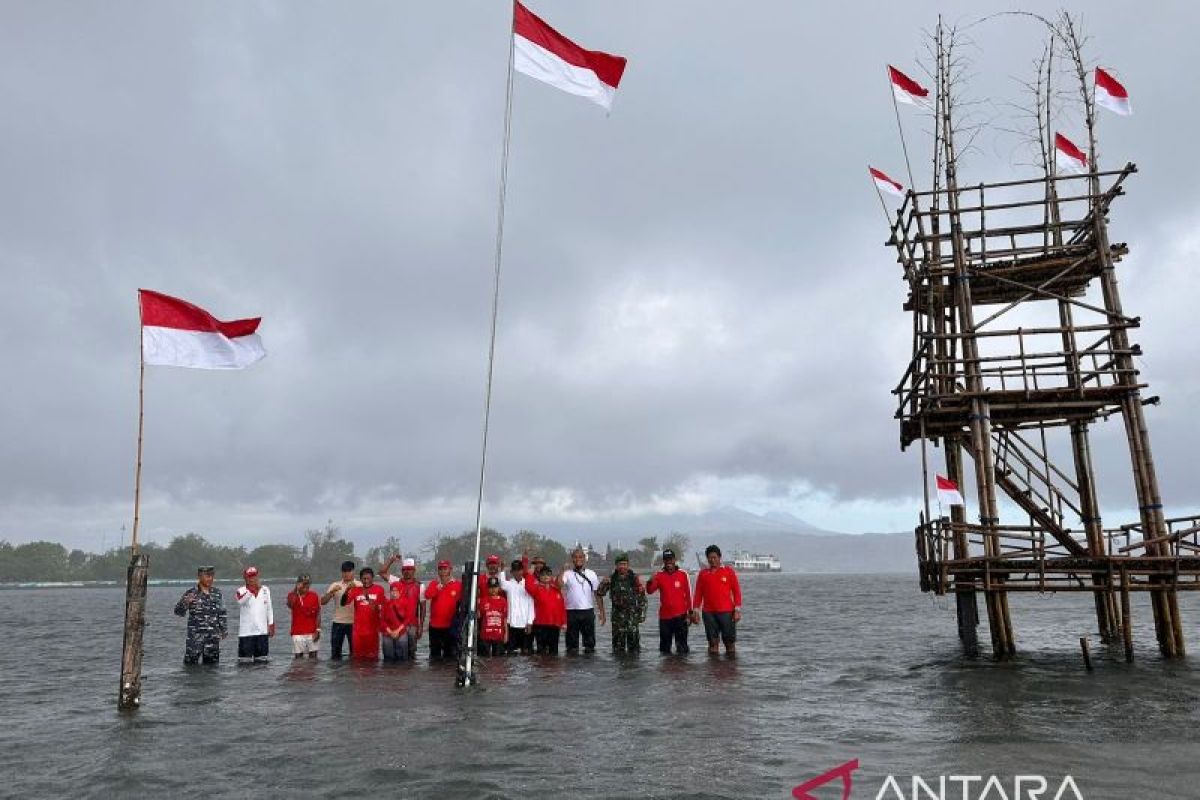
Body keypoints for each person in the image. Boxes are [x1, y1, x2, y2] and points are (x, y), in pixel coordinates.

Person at [693, 545, 742, 655]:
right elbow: (698, 594)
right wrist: (695, 611)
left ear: (720, 557)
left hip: (727, 612)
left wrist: (737, 610)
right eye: (710, 558)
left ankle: (730, 670)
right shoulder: (703, 574)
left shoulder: (729, 572)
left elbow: (737, 592)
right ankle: (712, 671)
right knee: (712, 644)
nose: (712, 560)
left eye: (715, 557)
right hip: (708, 613)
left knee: (729, 644)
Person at [174, 565, 227, 665]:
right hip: (195, 638)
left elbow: (222, 612)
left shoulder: (217, 593)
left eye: (211, 576)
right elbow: (178, 612)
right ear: (199, 576)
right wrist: (185, 603)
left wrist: (224, 630)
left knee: (212, 670)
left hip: (212, 638)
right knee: (190, 668)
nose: (210, 579)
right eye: (207, 576)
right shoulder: (191, 593)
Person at [597, 553, 647, 653]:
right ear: (616, 566)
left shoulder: (634, 578)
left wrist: (642, 615)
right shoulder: (612, 579)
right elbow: (599, 593)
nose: (622, 566)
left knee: (634, 650)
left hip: (632, 618)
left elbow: (643, 598)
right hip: (617, 619)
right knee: (617, 650)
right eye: (620, 564)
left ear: (628, 565)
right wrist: (603, 583)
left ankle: (634, 668)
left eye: (624, 564)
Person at [560, 547, 606, 654]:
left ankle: (588, 668)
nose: (578, 559)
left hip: (587, 612)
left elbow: (597, 594)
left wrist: (602, 612)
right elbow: (559, 585)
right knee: (571, 647)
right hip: (571, 612)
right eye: (575, 557)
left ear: (584, 558)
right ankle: (572, 668)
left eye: (580, 557)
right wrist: (562, 570)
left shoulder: (591, 574)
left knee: (589, 645)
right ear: (572, 559)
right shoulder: (567, 574)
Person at [646, 548, 693, 654]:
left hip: (681, 617)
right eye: (666, 560)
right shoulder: (659, 575)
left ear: (675, 560)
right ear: (663, 561)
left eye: (670, 559)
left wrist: (690, 613)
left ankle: (683, 669)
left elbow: (689, 594)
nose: (669, 562)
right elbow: (650, 591)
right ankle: (666, 670)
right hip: (665, 618)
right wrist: (649, 581)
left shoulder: (683, 574)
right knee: (664, 649)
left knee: (682, 648)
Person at [380, 555, 425, 656]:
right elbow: (382, 572)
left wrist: (421, 626)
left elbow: (422, 608)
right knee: (397, 651)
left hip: (412, 624)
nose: (407, 572)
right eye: (404, 569)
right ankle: (397, 670)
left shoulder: (420, 585)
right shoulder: (395, 581)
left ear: (414, 570)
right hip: (396, 623)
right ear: (401, 571)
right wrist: (391, 560)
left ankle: (408, 670)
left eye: (410, 569)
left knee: (411, 651)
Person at [341, 567, 387, 661]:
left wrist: (372, 603)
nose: (366, 581)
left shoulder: (379, 589)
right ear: (360, 579)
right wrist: (347, 590)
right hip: (358, 632)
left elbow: (384, 608)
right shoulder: (355, 590)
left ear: (372, 578)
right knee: (357, 659)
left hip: (373, 631)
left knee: (373, 659)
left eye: (368, 578)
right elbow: (343, 603)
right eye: (364, 579)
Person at [320, 560, 360, 659]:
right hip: (338, 622)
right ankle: (337, 673)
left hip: (354, 623)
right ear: (341, 572)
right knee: (335, 653)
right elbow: (322, 602)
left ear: (353, 571)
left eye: (348, 571)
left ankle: (352, 673)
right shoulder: (335, 585)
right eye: (344, 571)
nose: (346, 574)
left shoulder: (359, 585)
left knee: (355, 653)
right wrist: (331, 592)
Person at [424, 560, 462, 661]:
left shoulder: (458, 585)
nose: (443, 571)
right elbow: (427, 595)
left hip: (450, 626)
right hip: (434, 626)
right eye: (440, 569)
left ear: (450, 570)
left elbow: (464, 602)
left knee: (450, 656)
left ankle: (446, 676)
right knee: (434, 655)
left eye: (445, 569)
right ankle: (435, 676)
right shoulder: (434, 583)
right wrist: (438, 587)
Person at [234, 566, 274, 662]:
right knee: (244, 664)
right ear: (245, 578)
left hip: (262, 632)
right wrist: (251, 591)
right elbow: (240, 601)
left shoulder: (265, 590)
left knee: (262, 663)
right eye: (250, 577)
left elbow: (269, 608)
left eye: (255, 576)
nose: (253, 579)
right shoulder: (240, 591)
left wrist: (271, 624)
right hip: (246, 633)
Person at [525, 564, 566, 655]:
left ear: (551, 576)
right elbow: (528, 586)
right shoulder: (536, 589)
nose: (545, 576)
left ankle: (552, 669)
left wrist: (564, 622)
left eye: (548, 574)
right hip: (540, 624)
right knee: (541, 651)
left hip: (555, 625)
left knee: (554, 651)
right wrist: (530, 574)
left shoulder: (556, 589)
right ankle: (542, 669)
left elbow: (562, 607)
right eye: (543, 574)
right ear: (539, 576)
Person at [498, 557, 535, 655]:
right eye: (515, 570)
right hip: (512, 624)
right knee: (510, 652)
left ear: (522, 570)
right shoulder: (509, 584)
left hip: (525, 624)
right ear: (511, 572)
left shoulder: (528, 584)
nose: (517, 572)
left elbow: (531, 604)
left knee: (526, 653)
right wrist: (502, 570)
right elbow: (501, 583)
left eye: (519, 570)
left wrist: (530, 622)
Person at [286, 573, 321, 659]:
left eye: (308, 583)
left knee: (313, 659)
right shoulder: (292, 595)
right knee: (298, 659)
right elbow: (290, 604)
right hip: (297, 633)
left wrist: (318, 630)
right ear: (298, 583)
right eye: (303, 583)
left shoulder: (314, 595)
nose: (306, 586)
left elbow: (318, 614)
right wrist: (296, 590)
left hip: (312, 632)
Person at [380, 582, 411, 663]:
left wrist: (397, 631)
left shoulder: (406, 603)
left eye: (396, 590)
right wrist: (390, 632)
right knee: (388, 657)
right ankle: (390, 673)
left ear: (401, 591)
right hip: (387, 632)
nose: (394, 593)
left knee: (402, 658)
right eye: (392, 590)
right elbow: (382, 620)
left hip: (401, 631)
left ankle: (400, 673)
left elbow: (407, 619)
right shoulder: (386, 603)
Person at [478, 577, 508, 656]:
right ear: (488, 588)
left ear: (498, 588)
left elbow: (504, 618)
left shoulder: (503, 601)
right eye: (491, 587)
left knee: (498, 661)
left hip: (499, 635)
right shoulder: (483, 600)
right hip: (485, 635)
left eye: (495, 587)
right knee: (485, 658)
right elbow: (478, 616)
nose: (493, 590)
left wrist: (506, 634)